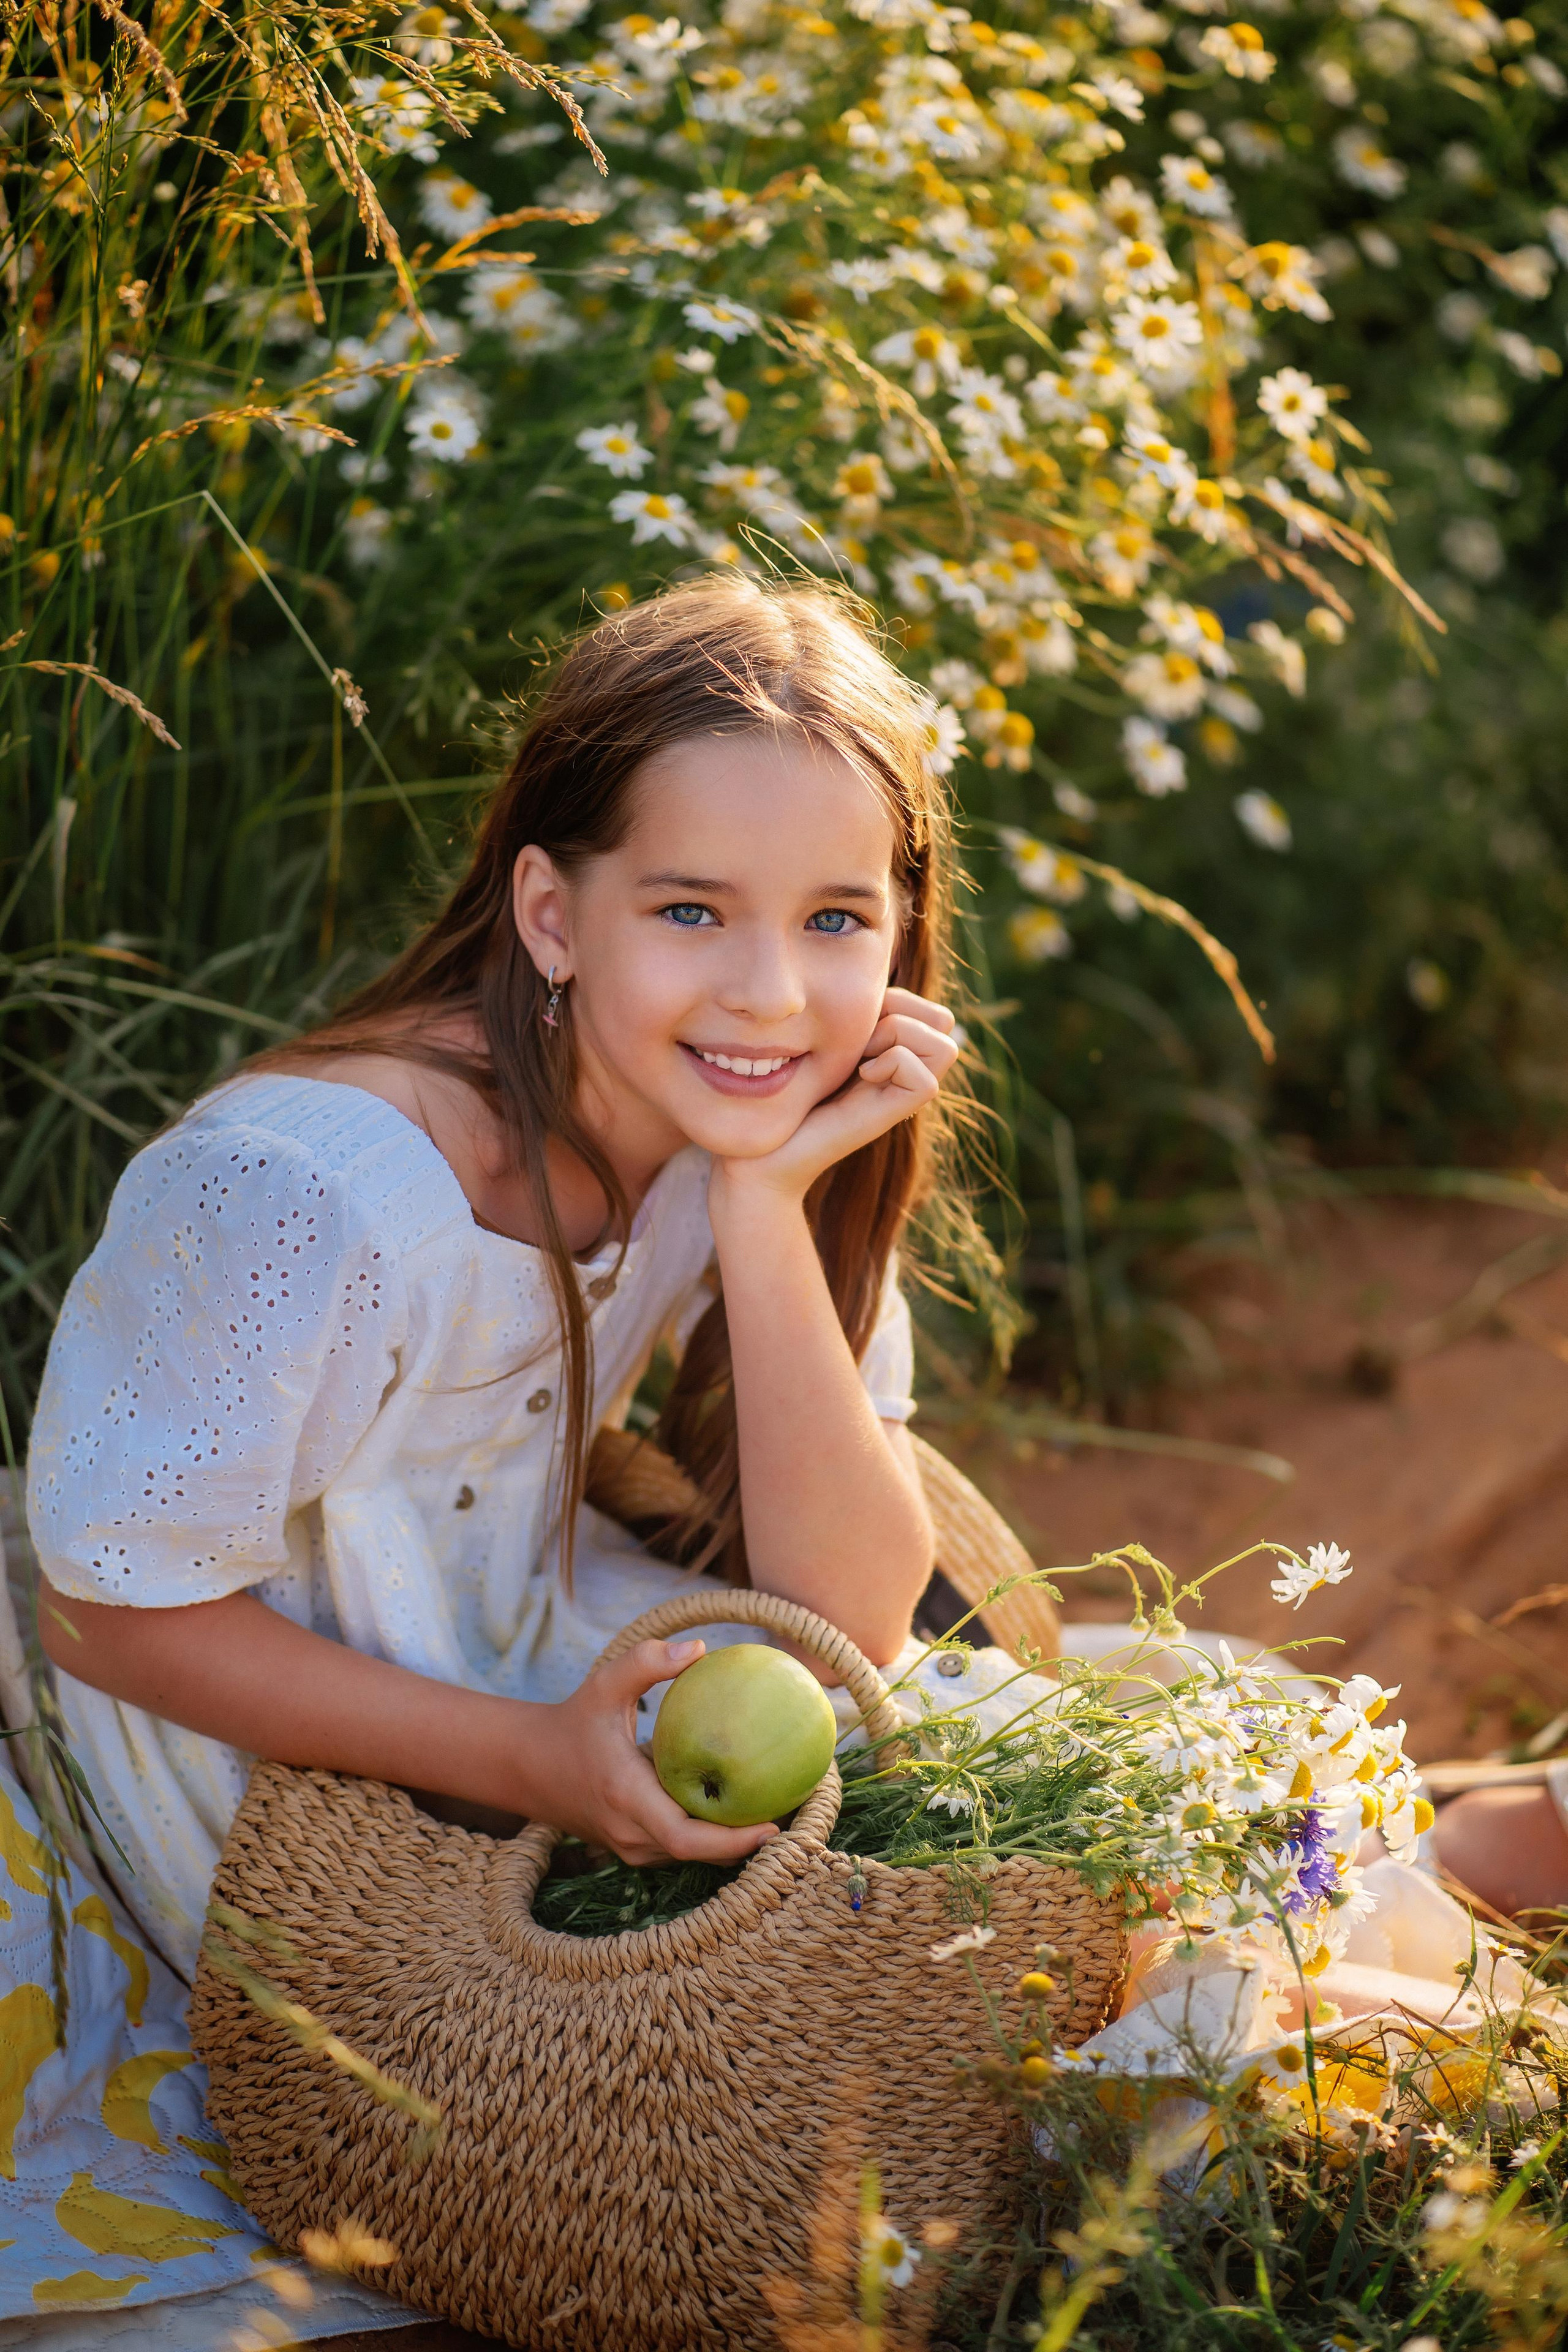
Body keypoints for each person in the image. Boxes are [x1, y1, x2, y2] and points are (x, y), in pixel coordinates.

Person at [23, 573, 1028, 1982]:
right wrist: (532, 1761)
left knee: (1019, 1873)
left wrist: (755, 1198)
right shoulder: (306, 1193)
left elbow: (853, 1615)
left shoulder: (739, 1127)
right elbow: (111, 1615)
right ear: (551, 917)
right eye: (690, 912)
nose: (770, 996)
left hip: (526, 1666)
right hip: (247, 1762)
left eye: (833, 920)